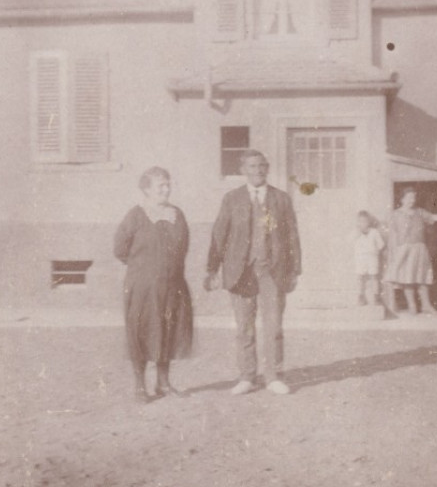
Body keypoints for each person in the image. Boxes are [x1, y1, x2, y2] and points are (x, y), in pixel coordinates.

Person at [205, 150, 301, 395]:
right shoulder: (232, 198)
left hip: (273, 271)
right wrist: (212, 268)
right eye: (252, 166)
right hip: (241, 272)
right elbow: (219, 235)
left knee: (274, 326)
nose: (257, 170)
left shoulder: (281, 199)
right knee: (244, 327)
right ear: (243, 171)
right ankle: (247, 376)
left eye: (261, 166)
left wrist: (294, 270)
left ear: (267, 168)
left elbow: (292, 236)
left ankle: (273, 377)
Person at [113, 167, 193, 403]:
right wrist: (144, 267)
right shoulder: (136, 215)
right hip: (143, 288)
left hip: (173, 285)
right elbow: (120, 249)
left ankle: (163, 383)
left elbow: (183, 246)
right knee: (141, 332)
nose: (166, 189)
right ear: (146, 189)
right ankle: (140, 386)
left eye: (168, 184)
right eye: (160, 186)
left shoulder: (177, 214)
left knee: (168, 330)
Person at [384, 187, 437, 315]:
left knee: (422, 277)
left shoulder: (420, 212)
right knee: (407, 278)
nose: (412, 200)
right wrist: (393, 252)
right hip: (403, 248)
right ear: (402, 199)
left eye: (413, 197)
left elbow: (435, 217)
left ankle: (426, 305)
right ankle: (412, 306)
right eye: (409, 197)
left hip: (419, 248)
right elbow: (392, 235)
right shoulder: (395, 215)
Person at [354, 210, 385, 306]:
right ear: (357, 222)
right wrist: (357, 234)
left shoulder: (374, 232)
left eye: (365, 221)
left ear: (369, 222)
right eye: (360, 221)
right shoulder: (356, 233)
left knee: (374, 277)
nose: (363, 223)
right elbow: (349, 241)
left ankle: (376, 296)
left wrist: (374, 251)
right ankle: (361, 296)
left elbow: (381, 245)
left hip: (372, 258)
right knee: (360, 277)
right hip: (360, 258)